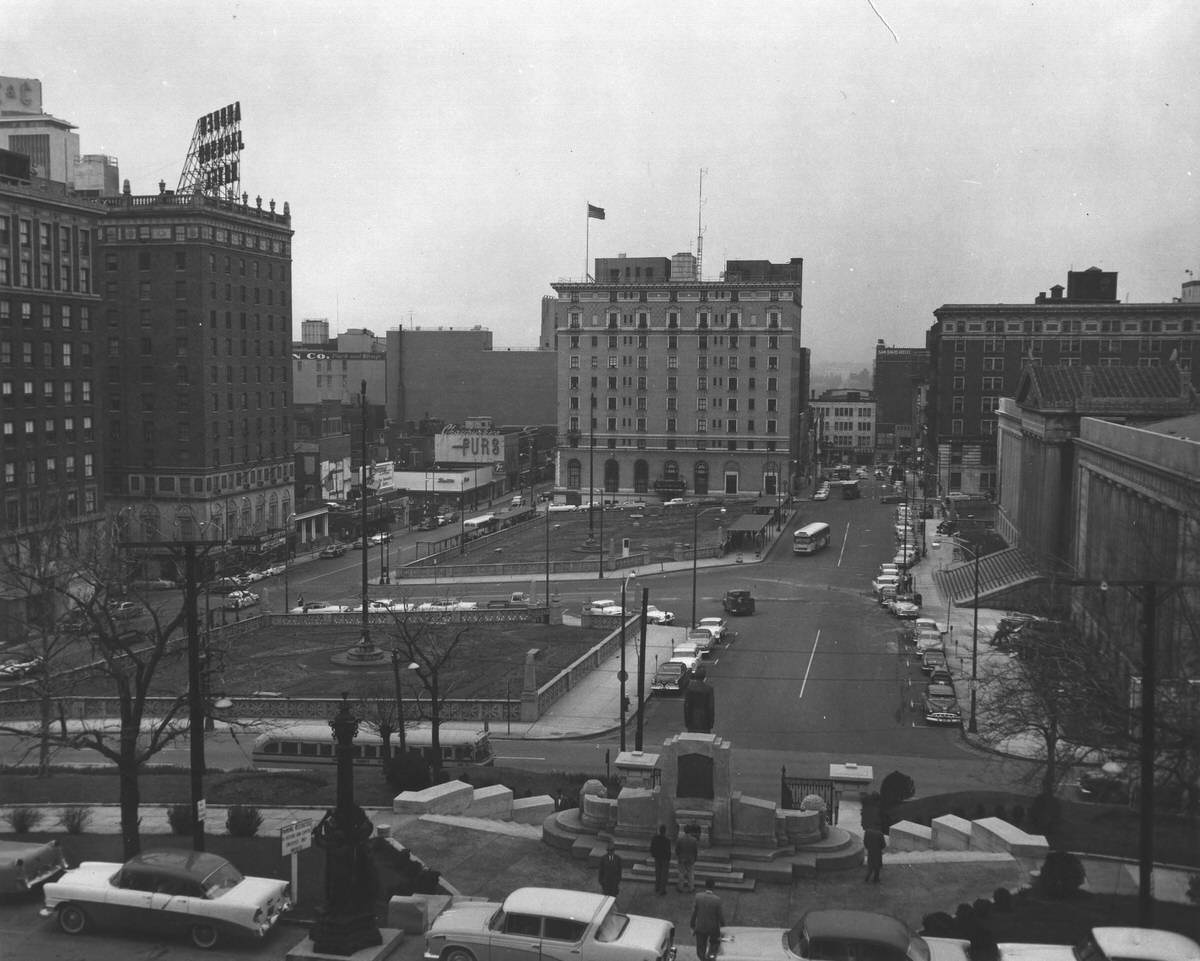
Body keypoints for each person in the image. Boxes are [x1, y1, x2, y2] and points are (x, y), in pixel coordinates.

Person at [690, 879, 724, 961]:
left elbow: (694, 912)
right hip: (713, 928)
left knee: (700, 948)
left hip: (700, 926)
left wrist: (692, 925)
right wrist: (723, 925)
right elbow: (720, 916)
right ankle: (710, 958)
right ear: (713, 887)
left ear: (705, 886)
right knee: (714, 944)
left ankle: (702, 959)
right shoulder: (717, 900)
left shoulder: (698, 897)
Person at [675, 825, 699, 892]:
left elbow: (677, 850)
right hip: (691, 859)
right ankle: (691, 888)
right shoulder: (694, 840)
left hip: (682, 858)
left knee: (681, 873)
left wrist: (678, 856)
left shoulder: (680, 839)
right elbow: (695, 850)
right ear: (690, 831)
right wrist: (695, 858)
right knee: (690, 873)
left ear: (684, 830)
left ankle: (680, 887)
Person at [649, 825, 672, 895]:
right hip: (665, 859)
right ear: (665, 831)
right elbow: (668, 851)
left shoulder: (655, 838)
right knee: (664, 874)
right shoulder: (667, 840)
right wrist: (669, 858)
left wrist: (654, 854)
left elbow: (651, 848)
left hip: (657, 857)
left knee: (658, 873)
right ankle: (662, 889)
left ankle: (657, 887)